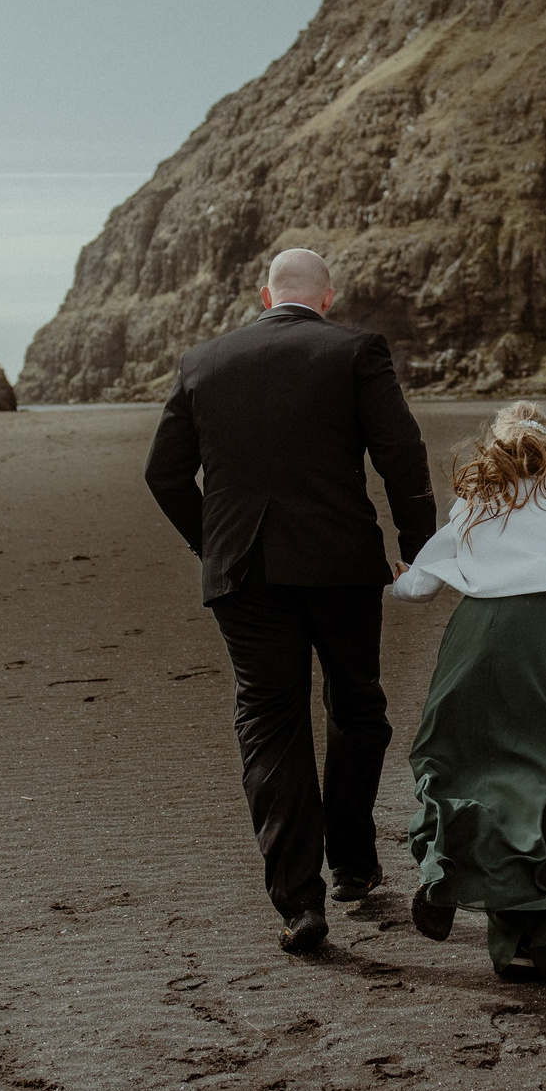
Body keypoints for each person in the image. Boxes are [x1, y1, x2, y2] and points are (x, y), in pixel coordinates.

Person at [144, 247, 436, 955]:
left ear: (262, 293)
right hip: (340, 565)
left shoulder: (203, 362)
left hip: (243, 574)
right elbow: (400, 452)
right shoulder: (355, 350)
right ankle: (355, 864)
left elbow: (164, 474)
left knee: (270, 722)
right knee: (358, 708)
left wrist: (212, 543)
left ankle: (298, 902)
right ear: (327, 298)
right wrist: (419, 548)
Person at [390, 402, 546, 980]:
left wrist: (397, 585)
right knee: (545, 776)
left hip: (476, 636)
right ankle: (532, 941)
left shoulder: (474, 501)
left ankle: (442, 871)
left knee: (460, 761)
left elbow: (422, 584)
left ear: (495, 445)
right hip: (545, 639)